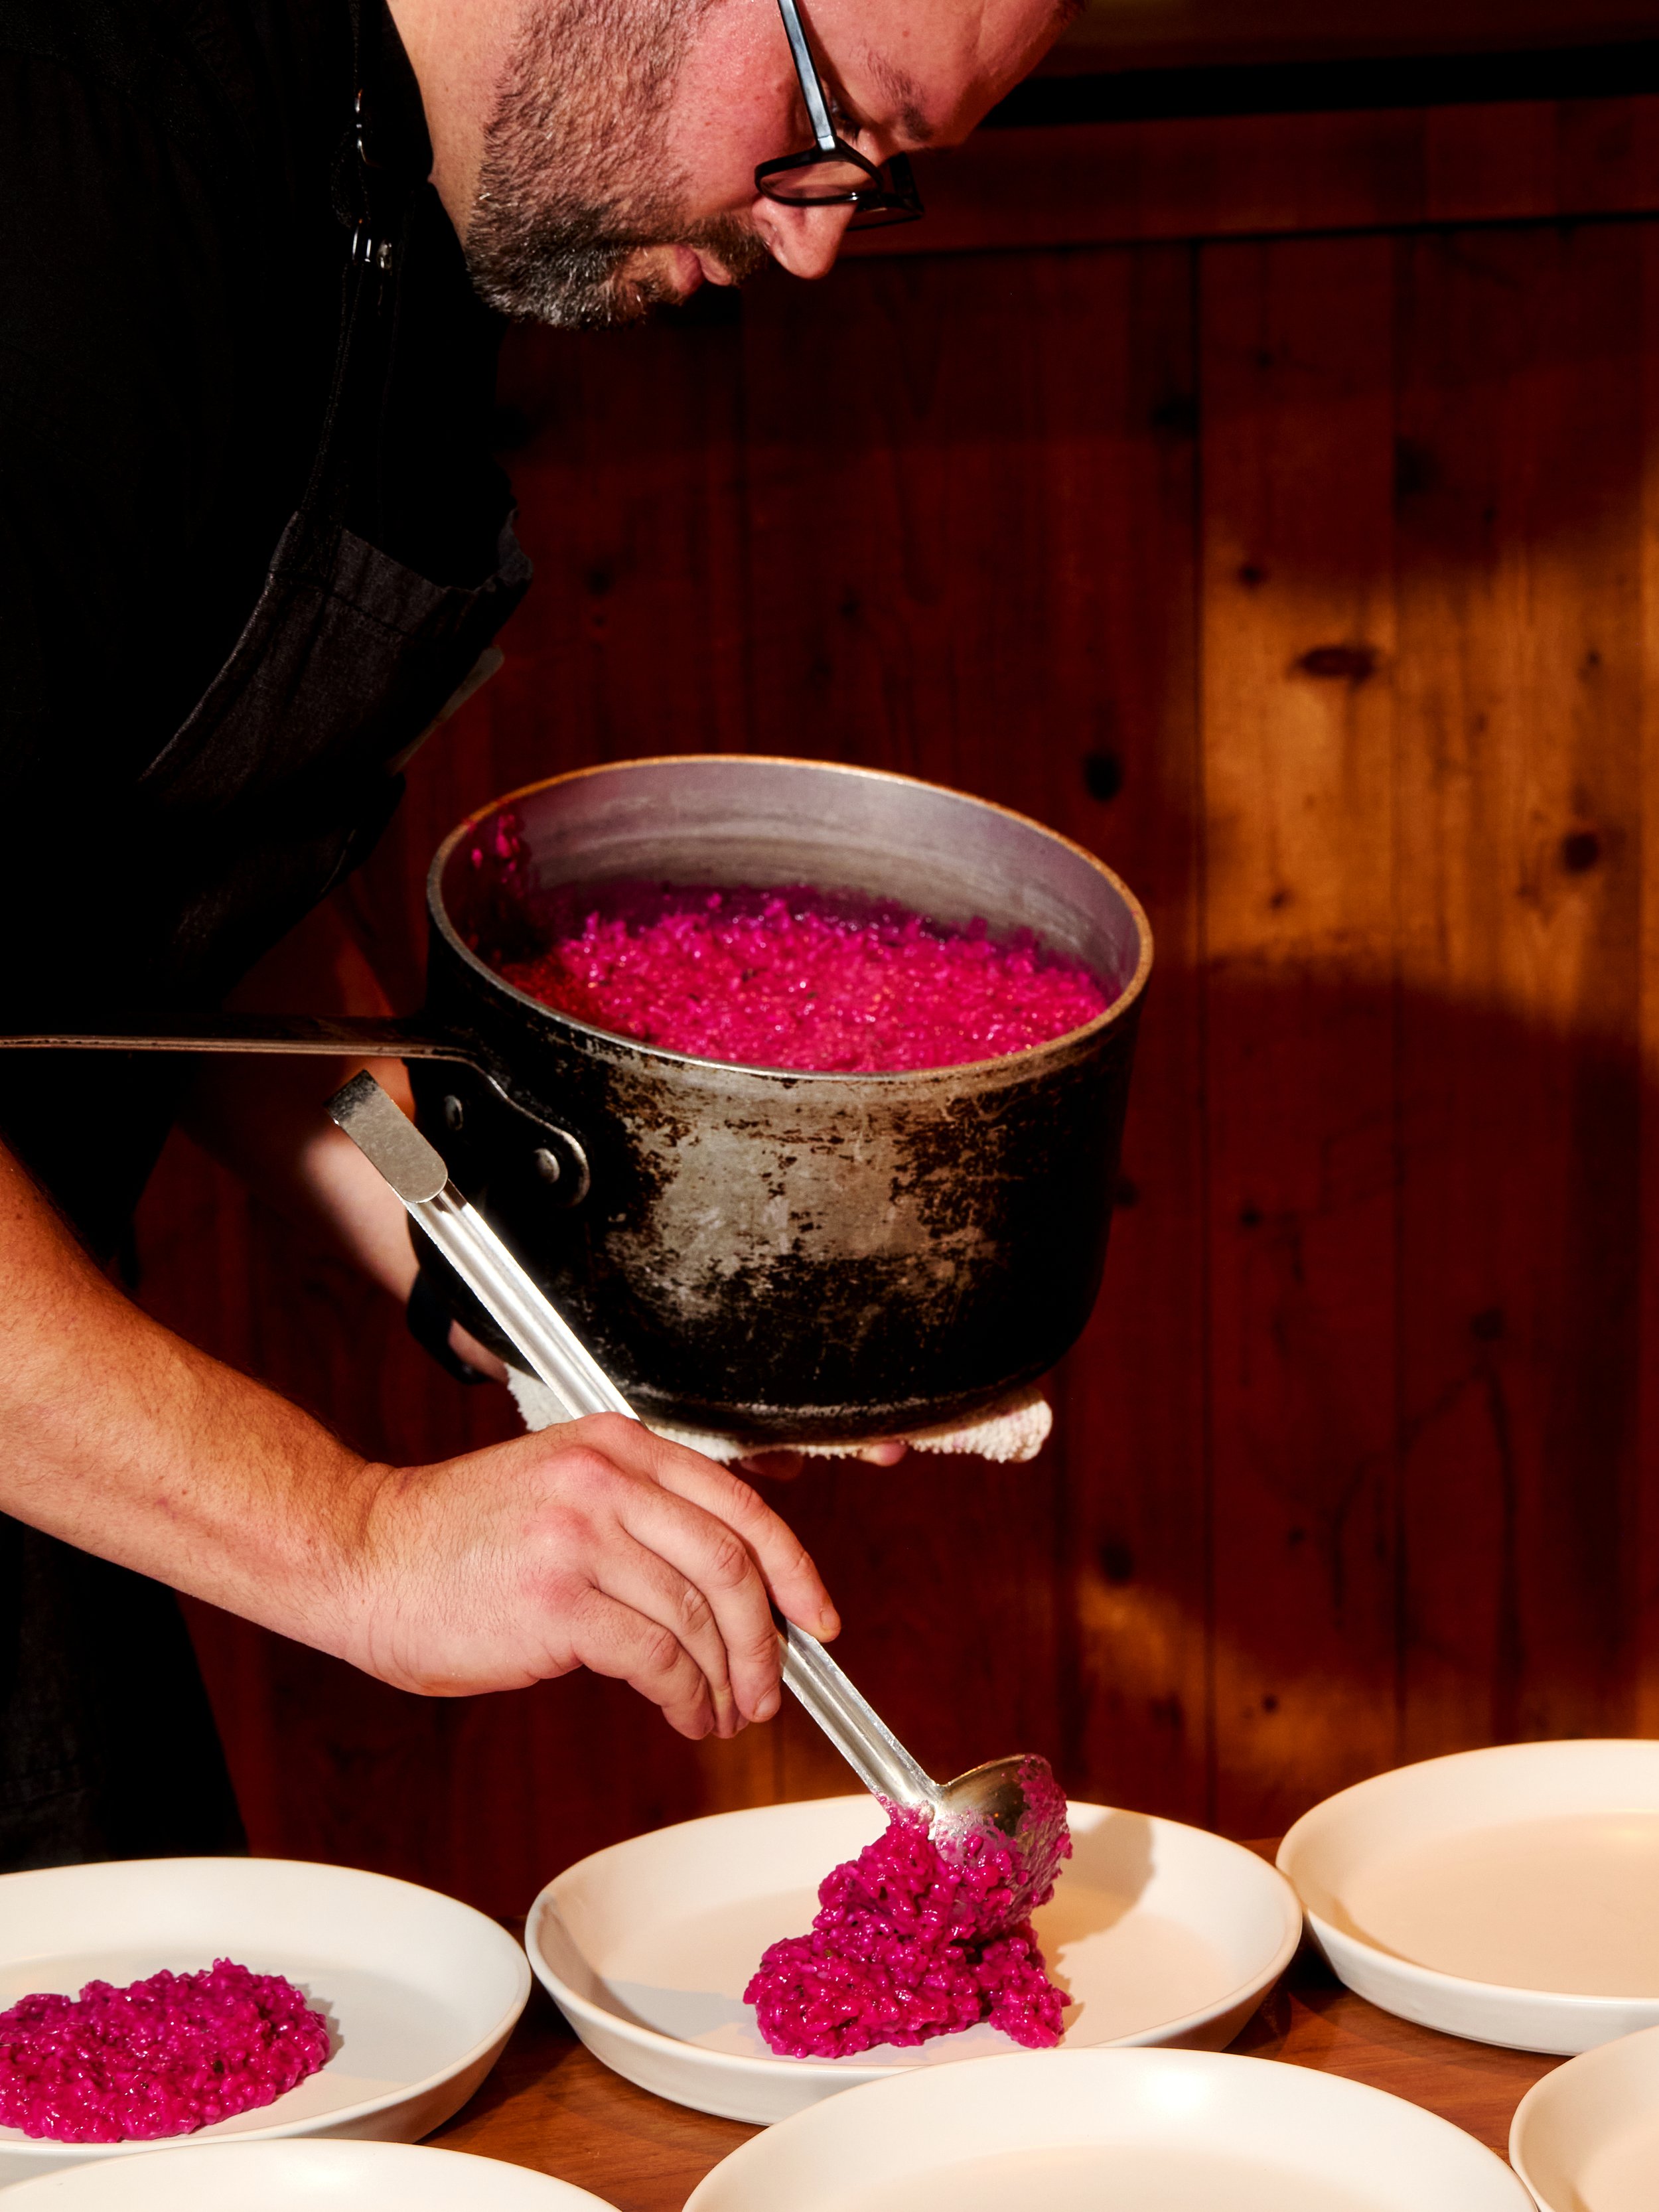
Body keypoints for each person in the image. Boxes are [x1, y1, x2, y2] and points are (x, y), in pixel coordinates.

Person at [0, 0, 1079, 1871]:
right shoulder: (64, 180)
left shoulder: (412, 214)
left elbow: (164, 883)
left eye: (879, 181)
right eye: (842, 124)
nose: (812, 234)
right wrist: (348, 1542)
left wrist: (518, 1299)